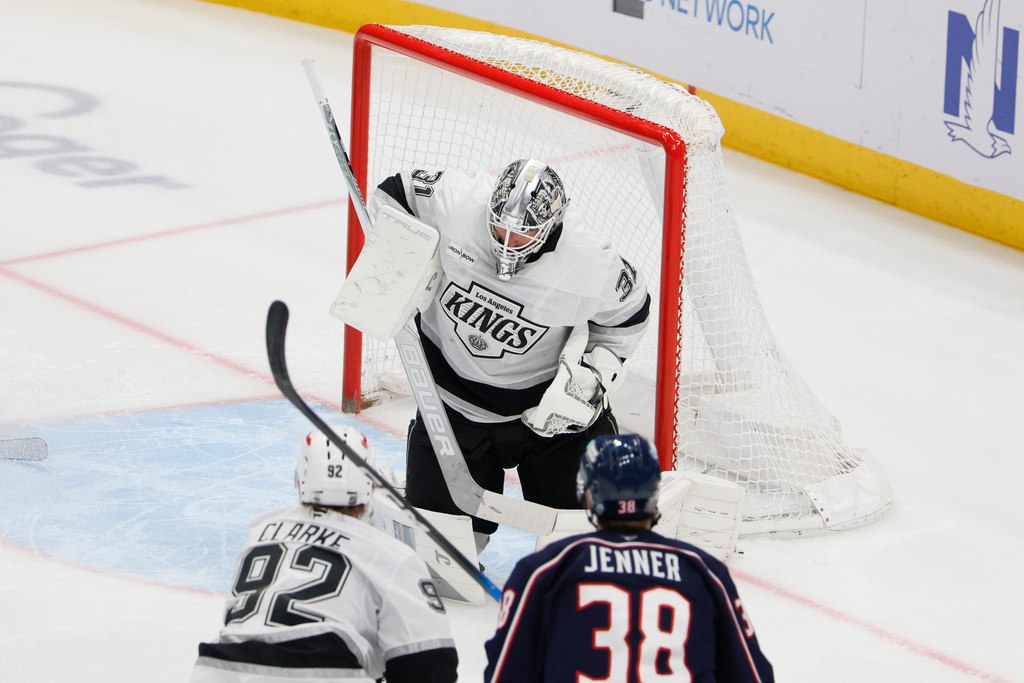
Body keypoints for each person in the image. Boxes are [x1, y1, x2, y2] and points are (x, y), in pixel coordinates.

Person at [368, 159, 651, 549]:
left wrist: (594, 374)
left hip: (549, 421)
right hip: (451, 409)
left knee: (590, 545)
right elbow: (391, 194)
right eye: (501, 225)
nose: (506, 240)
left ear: (551, 226)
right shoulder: (456, 203)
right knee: (444, 555)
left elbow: (630, 314)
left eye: (523, 233)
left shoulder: (590, 262)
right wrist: (404, 265)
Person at [484, 434, 775, 683]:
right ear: (656, 492)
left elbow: (504, 675)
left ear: (588, 495)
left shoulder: (543, 571)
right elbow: (752, 675)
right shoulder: (704, 572)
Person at [189, 425, 459, 683]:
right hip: (323, 673)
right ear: (371, 486)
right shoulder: (393, 556)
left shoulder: (260, 530)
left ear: (299, 481)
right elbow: (430, 666)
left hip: (218, 671)